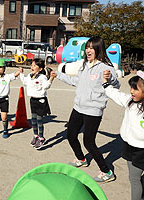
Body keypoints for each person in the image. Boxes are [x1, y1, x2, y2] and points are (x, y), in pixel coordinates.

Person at [51, 36, 120, 182]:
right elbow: (77, 81)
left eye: (91, 47)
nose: (88, 50)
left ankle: (107, 171)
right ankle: (81, 159)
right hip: (78, 107)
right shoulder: (84, 65)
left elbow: (117, 84)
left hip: (93, 110)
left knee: (89, 142)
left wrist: (110, 79)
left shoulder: (105, 68)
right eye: (87, 47)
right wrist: (59, 75)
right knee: (70, 135)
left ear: (98, 49)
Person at [103, 70, 144, 200]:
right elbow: (116, 94)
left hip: (142, 149)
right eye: (131, 88)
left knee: (135, 178)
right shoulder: (129, 101)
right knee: (133, 176)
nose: (132, 91)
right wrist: (105, 83)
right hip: (128, 144)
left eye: (136, 89)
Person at [19, 59, 55, 149]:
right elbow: (24, 82)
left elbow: (46, 86)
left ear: (40, 68)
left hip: (41, 100)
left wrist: (51, 78)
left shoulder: (42, 77)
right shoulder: (29, 75)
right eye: (32, 65)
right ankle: (35, 136)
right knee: (33, 119)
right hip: (33, 100)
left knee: (39, 120)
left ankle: (41, 138)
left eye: (35, 66)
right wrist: (21, 73)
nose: (32, 67)